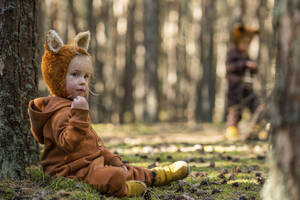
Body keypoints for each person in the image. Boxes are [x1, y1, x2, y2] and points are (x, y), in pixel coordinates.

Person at [28, 30, 189, 197]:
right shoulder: (57, 113)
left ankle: (160, 175)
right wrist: (80, 115)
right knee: (114, 176)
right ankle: (128, 189)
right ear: (57, 76)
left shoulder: (72, 106)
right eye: (74, 75)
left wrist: (113, 160)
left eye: (86, 76)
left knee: (126, 169)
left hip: (91, 163)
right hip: (71, 171)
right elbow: (68, 143)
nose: (82, 81)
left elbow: (94, 145)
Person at [225, 23, 259, 140]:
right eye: (243, 43)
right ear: (237, 41)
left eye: (248, 43)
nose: (246, 45)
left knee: (256, 107)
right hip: (235, 88)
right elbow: (229, 67)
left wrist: (254, 67)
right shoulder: (231, 53)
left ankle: (256, 129)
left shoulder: (246, 55)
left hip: (247, 87)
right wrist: (244, 64)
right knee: (235, 111)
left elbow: (253, 71)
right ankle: (232, 131)